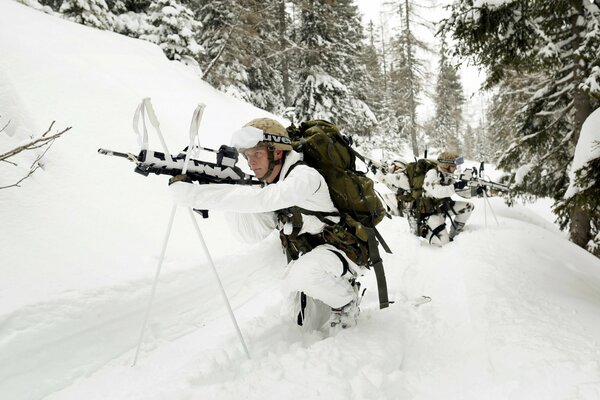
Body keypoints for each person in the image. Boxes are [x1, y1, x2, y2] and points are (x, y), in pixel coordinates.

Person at [169, 118, 363, 332]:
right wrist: (225, 188)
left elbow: (264, 200)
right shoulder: (272, 184)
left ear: (277, 152)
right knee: (300, 322)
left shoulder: (304, 177)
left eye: (257, 154)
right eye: (247, 156)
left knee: (301, 276)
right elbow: (251, 234)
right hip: (310, 254)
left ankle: (346, 302)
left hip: (343, 251)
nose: (251, 162)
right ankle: (322, 291)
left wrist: (197, 196)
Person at [421, 150, 474, 246]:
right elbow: (438, 192)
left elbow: (460, 192)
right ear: (446, 165)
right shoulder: (432, 173)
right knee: (443, 243)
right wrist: (456, 186)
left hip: (443, 207)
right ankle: (424, 231)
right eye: (454, 165)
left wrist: (474, 190)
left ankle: (455, 236)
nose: (456, 168)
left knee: (468, 207)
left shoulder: (447, 175)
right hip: (430, 212)